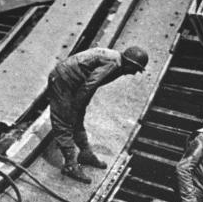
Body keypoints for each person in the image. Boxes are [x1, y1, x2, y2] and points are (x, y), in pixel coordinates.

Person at [48, 46, 149, 183]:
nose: (135, 73)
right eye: (136, 69)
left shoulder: (118, 61)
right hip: (63, 80)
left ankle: (85, 153)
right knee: (64, 120)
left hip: (75, 81)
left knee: (77, 118)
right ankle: (70, 165)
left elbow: (91, 85)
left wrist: (80, 107)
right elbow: (90, 84)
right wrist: (76, 107)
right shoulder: (114, 63)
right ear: (129, 63)